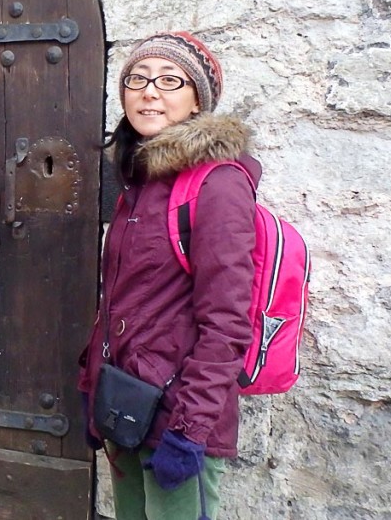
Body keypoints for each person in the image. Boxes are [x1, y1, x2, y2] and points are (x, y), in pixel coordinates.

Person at [78, 32, 258, 520]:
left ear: (197, 97)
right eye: (136, 78)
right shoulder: (138, 182)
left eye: (169, 79)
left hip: (178, 418)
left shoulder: (217, 185)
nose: (149, 91)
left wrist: (191, 429)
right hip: (128, 406)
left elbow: (228, 323)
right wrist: (91, 384)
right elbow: (120, 301)